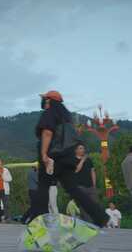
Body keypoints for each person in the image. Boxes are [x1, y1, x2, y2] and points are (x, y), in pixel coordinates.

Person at [32, 90, 108, 227]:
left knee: (43, 186)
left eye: (45, 99)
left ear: (49, 100)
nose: (43, 101)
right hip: (67, 157)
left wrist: (44, 154)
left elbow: (47, 133)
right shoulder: (66, 118)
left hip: (52, 156)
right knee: (73, 189)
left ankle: (40, 220)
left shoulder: (49, 113)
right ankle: (100, 216)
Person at [71, 143, 98, 222]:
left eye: (83, 148)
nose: (83, 150)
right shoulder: (73, 160)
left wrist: (94, 185)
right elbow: (76, 170)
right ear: (76, 150)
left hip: (90, 186)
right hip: (80, 186)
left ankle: (91, 221)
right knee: (84, 206)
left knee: (94, 204)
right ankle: (87, 222)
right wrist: (82, 160)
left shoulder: (89, 160)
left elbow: (92, 172)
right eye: (80, 148)